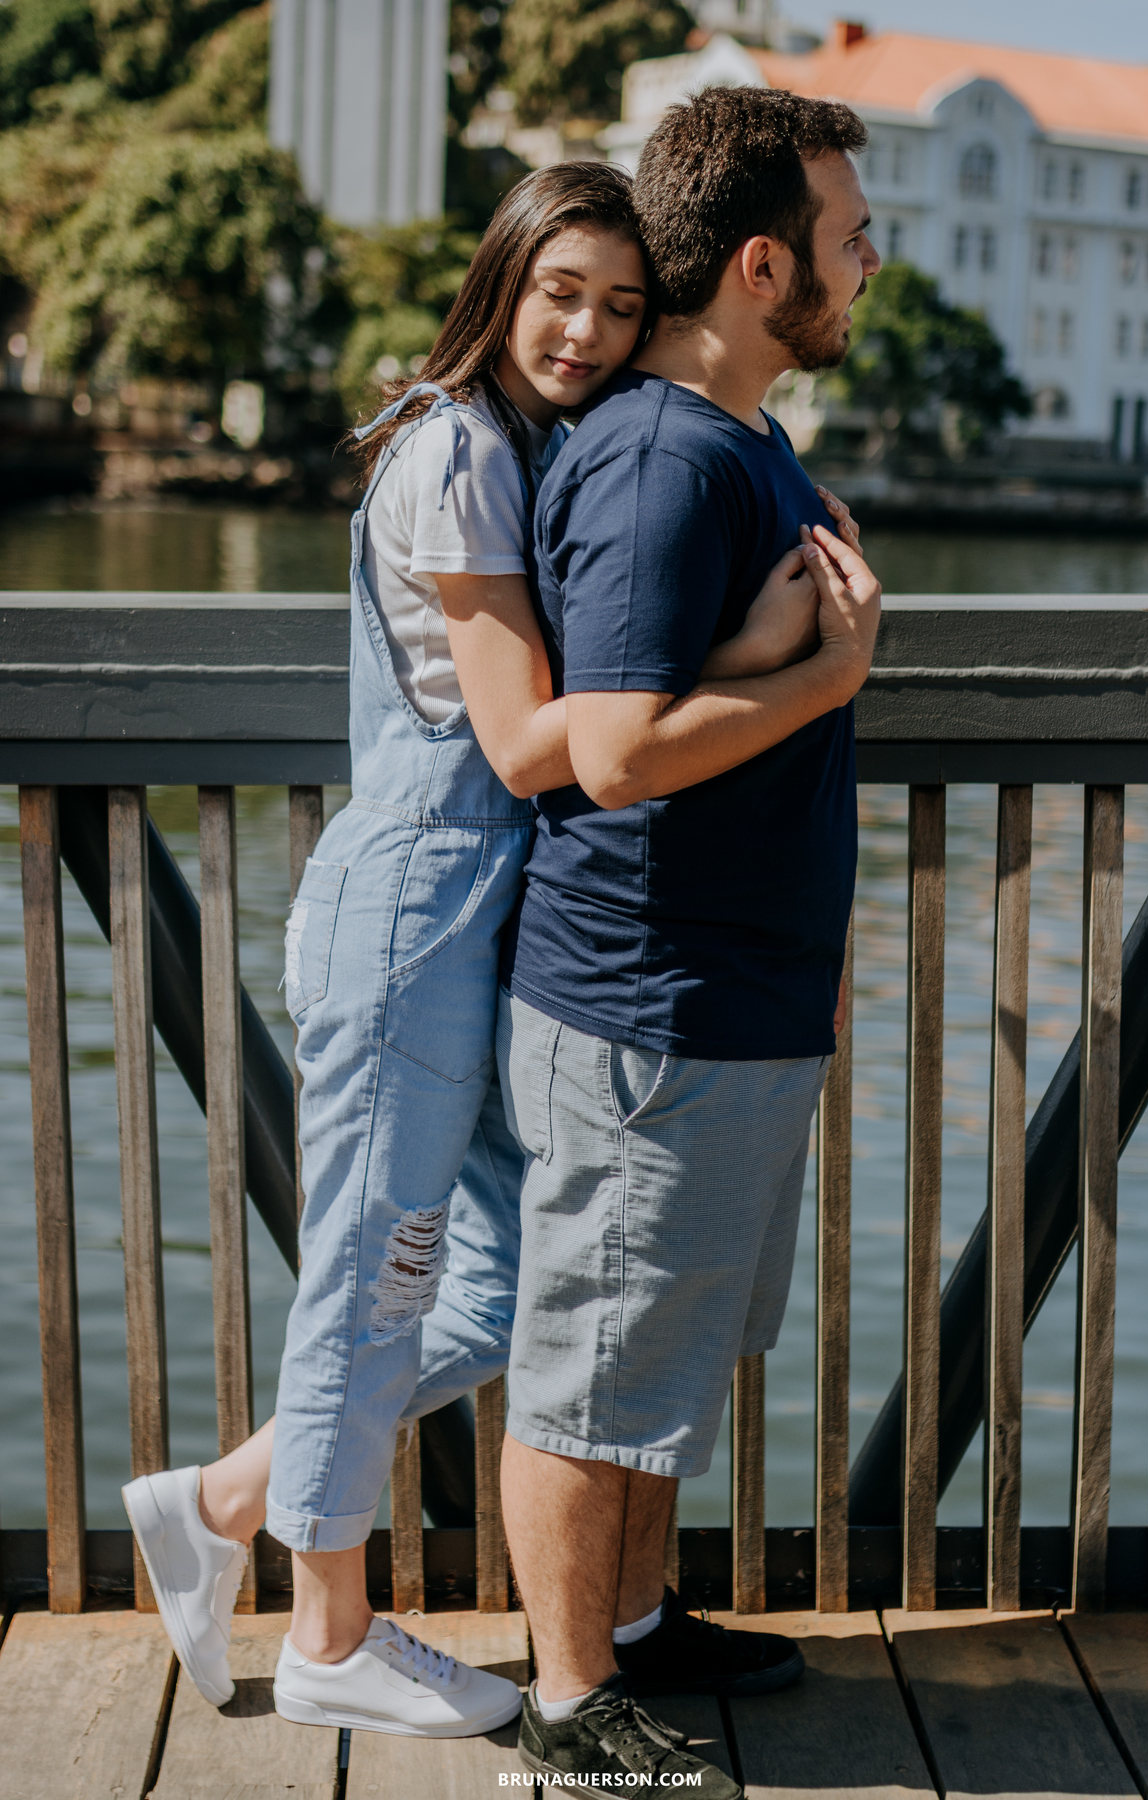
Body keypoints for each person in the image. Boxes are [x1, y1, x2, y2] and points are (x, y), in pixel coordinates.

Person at [120, 159, 848, 1739]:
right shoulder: (453, 448)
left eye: (619, 304)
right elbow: (531, 746)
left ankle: (223, 1498)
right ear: (499, 284)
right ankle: (327, 1633)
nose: (585, 330)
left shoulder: (544, 446)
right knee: (371, 1290)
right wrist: (772, 661)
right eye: (556, 293)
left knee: (505, 1287)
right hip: (409, 922)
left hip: (488, 930)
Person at [493, 88, 884, 1797]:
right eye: (850, 236)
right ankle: (571, 1710)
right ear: (761, 261)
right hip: (648, 1008)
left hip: (729, 1000)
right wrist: (823, 681)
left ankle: (638, 1629)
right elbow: (613, 751)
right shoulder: (663, 458)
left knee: (660, 1349)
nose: (872, 261)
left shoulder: (737, 444)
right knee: (589, 1370)